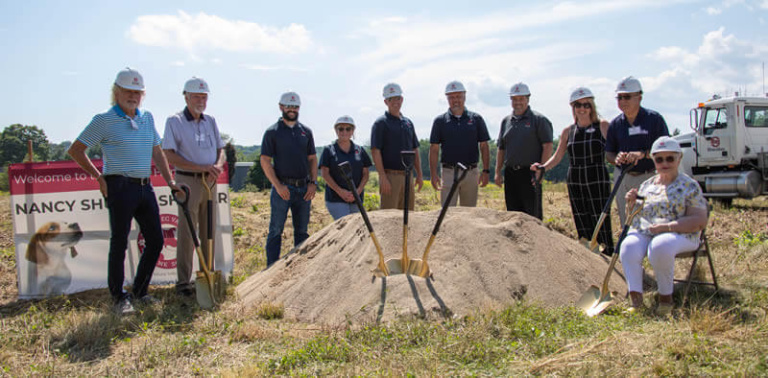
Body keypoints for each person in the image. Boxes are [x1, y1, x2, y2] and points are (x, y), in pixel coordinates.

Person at [67, 67, 180, 315]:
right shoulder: (103, 120)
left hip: (144, 186)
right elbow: (76, 150)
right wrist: (99, 177)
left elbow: (157, 151)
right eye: (128, 91)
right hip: (119, 185)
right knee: (119, 243)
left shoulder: (147, 118)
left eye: (138, 92)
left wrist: (170, 181)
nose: (133, 96)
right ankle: (119, 297)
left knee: (157, 240)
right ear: (116, 92)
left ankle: (140, 291)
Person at [619, 136, 708, 316]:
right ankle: (636, 302)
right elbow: (635, 217)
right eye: (659, 159)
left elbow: (699, 220)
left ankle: (665, 300)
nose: (664, 163)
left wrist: (666, 227)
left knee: (660, 245)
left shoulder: (689, 185)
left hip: (681, 234)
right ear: (654, 161)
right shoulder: (647, 185)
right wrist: (631, 203)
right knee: (628, 246)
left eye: (670, 158)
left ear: (679, 159)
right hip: (647, 232)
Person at [161, 77, 225, 297]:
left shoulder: (211, 120)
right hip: (188, 180)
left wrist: (217, 165)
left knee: (209, 231)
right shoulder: (175, 121)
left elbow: (221, 149)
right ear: (186, 96)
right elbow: (169, 155)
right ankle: (183, 283)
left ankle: (207, 275)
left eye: (204, 96)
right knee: (188, 233)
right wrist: (200, 167)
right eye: (196, 96)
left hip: (210, 181)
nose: (201, 100)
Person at [532, 87, 615, 254]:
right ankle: (588, 251)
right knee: (581, 214)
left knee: (600, 214)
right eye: (578, 105)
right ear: (573, 108)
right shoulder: (568, 131)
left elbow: (613, 151)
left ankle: (607, 251)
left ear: (592, 106)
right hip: (576, 177)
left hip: (597, 175)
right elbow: (557, 156)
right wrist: (542, 167)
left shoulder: (603, 126)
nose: (582, 109)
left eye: (586, 105)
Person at [260, 91, 317, 267]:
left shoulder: (305, 132)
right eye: (288, 106)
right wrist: (277, 186)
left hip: (303, 188)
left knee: (301, 231)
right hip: (283, 189)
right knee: (276, 230)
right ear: (281, 107)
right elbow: (265, 160)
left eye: (295, 106)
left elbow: (313, 159)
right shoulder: (272, 132)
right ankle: (271, 268)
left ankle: (298, 268)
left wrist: (313, 183)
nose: (292, 109)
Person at [605, 76, 670, 225]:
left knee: (651, 220)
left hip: (649, 176)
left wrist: (642, 154)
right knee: (626, 220)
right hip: (623, 177)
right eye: (619, 97)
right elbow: (609, 152)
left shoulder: (654, 119)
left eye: (627, 97)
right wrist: (616, 158)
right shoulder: (615, 124)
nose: (622, 101)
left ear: (639, 97)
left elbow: (666, 150)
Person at [495, 82, 553, 219]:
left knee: (532, 215)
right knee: (513, 215)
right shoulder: (506, 121)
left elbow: (548, 146)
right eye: (514, 99)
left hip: (531, 173)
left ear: (528, 99)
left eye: (521, 99)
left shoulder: (539, 120)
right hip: (511, 173)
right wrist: (498, 171)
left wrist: (542, 169)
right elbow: (501, 148)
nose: (517, 102)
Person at [429, 80, 491, 206]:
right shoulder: (440, 121)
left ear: (464, 96)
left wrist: (485, 171)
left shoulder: (476, 119)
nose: (455, 100)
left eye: (458, 96)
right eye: (451, 97)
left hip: (471, 172)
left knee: (469, 214)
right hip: (448, 172)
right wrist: (433, 174)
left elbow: (484, 146)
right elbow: (434, 149)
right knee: (447, 213)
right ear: (447, 99)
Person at [370, 83, 423, 210]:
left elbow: (415, 149)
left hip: (408, 176)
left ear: (402, 99)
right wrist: (383, 177)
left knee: (408, 215)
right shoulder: (380, 123)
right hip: (390, 176)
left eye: (397, 98)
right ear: (385, 102)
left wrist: (419, 174)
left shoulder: (408, 123)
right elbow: (375, 151)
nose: (395, 102)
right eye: (391, 99)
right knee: (388, 218)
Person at [319, 115, 373, 220]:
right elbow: (325, 174)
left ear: (353, 131)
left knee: (354, 229)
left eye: (348, 129)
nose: (344, 132)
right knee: (344, 225)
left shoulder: (360, 150)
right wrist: (340, 191)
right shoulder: (329, 150)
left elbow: (366, 173)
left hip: (356, 197)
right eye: (341, 129)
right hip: (336, 199)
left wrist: (358, 191)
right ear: (336, 130)